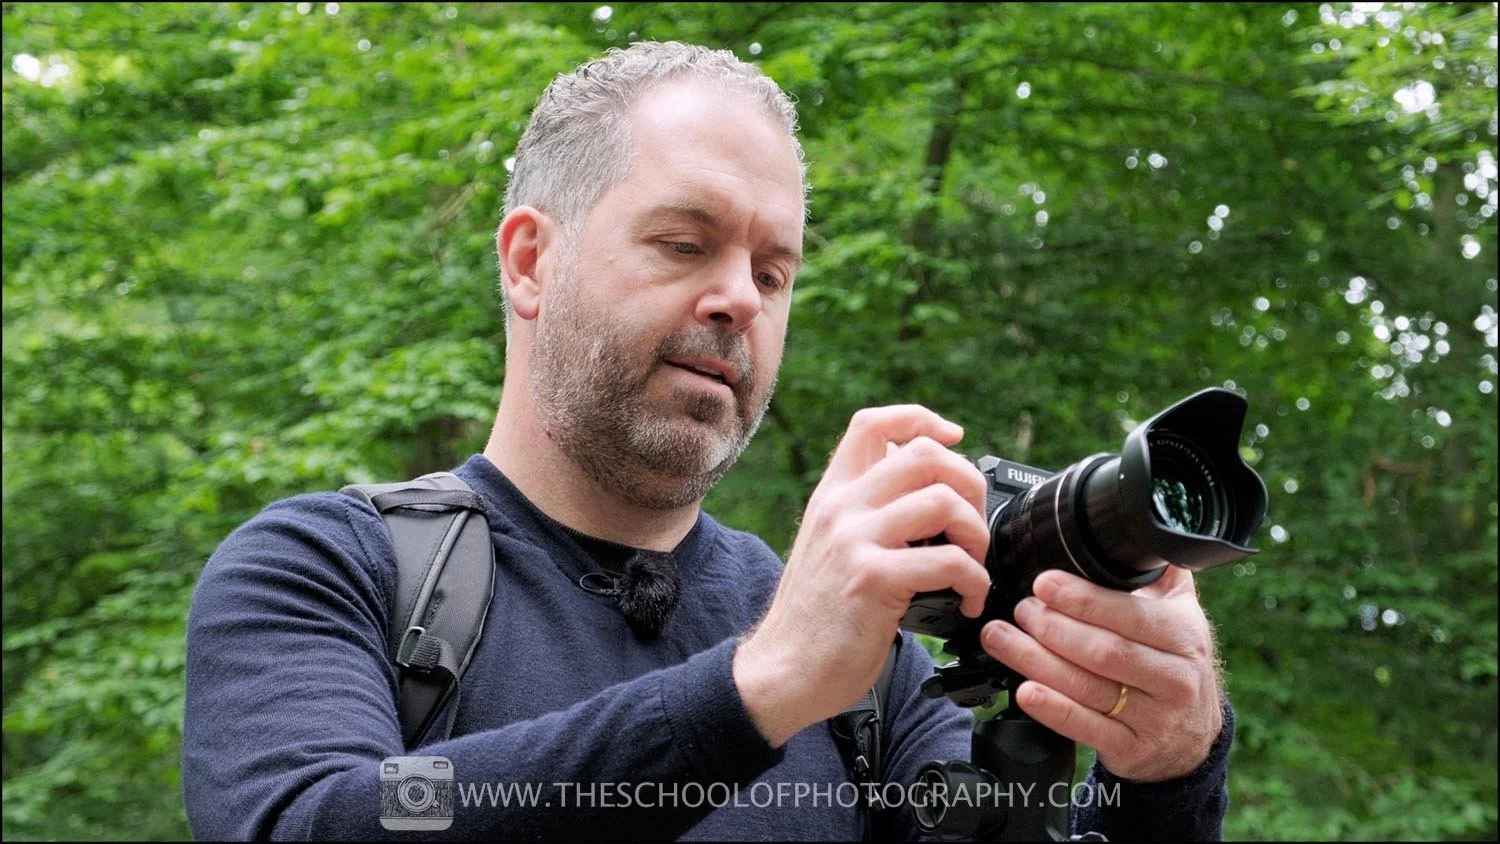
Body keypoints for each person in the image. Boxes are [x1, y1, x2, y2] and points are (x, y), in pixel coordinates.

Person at [182, 40, 1234, 841]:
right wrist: (757, 690)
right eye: (685, 243)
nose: (738, 297)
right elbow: (330, 815)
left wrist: (1171, 766)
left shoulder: (860, 668)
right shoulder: (329, 568)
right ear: (529, 262)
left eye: (773, 273)